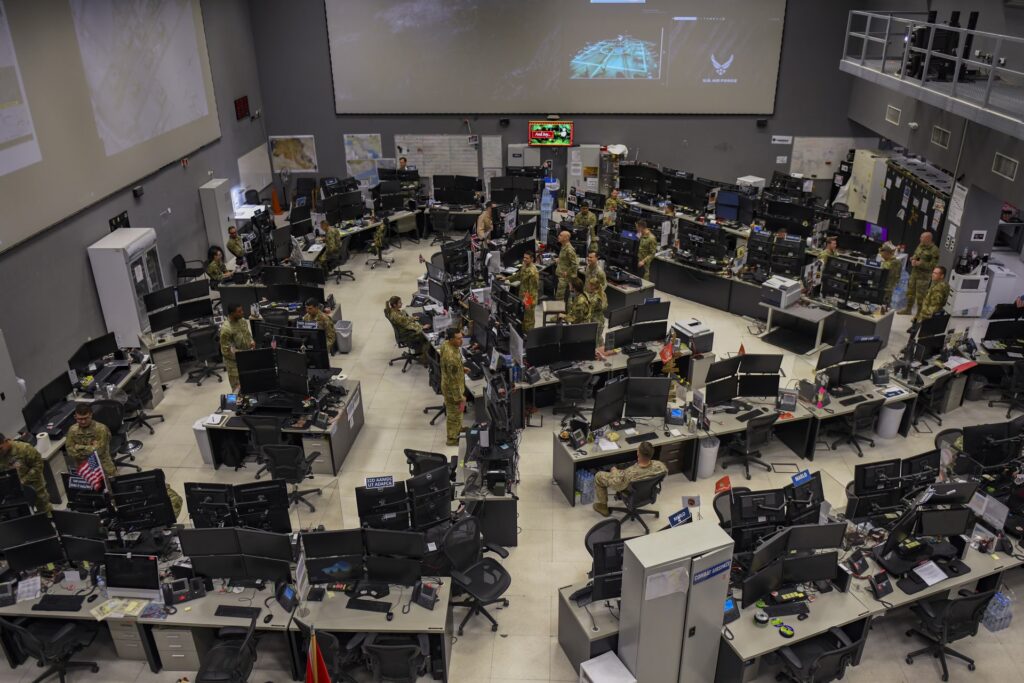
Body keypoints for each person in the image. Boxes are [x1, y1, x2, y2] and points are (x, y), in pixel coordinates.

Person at [592, 441, 667, 516]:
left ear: (638, 453)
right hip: (647, 493)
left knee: (598, 476)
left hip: (629, 491)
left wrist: (614, 471)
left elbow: (616, 484)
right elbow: (663, 475)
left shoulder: (629, 473)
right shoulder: (660, 466)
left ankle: (603, 507)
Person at [0, 434, 51, 514]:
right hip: (13, 492)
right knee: (22, 514)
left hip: (35, 486)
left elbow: (38, 465)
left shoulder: (24, 448)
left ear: (6, 441)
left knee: (45, 510)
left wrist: (24, 481)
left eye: (0, 448)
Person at [65, 404, 115, 476]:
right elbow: (70, 451)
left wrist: (78, 447)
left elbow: (99, 451)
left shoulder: (101, 429)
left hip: (103, 467)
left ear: (91, 415)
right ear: (75, 417)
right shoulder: (72, 430)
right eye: (80, 419)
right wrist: (91, 448)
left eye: (86, 418)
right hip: (83, 468)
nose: (83, 421)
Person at [901, 231, 939, 317]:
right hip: (914, 273)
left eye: (922, 237)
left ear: (928, 239)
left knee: (920, 296)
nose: (920, 239)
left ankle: (919, 313)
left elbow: (933, 265)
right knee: (910, 292)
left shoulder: (935, 250)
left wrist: (920, 264)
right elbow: (916, 254)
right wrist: (913, 259)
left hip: (923, 277)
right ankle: (908, 309)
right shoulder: (921, 245)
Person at [440, 328, 468, 446]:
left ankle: (458, 429)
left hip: (446, 383)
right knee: (454, 414)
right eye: (458, 339)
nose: (461, 340)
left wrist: (461, 369)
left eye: (461, 337)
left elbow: (449, 369)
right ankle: (452, 439)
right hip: (452, 391)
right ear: (451, 339)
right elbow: (453, 382)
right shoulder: (451, 358)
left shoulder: (445, 344)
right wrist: (460, 397)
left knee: (457, 414)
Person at [220, 302, 255, 392]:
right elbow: (226, 351)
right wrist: (242, 354)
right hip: (234, 365)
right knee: (238, 390)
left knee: (250, 385)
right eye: (239, 311)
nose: (242, 312)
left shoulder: (242, 320)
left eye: (242, 310)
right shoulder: (226, 329)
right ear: (232, 314)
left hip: (247, 358)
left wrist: (251, 341)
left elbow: (248, 334)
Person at [505, 251, 539, 333]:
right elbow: (518, 275)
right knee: (522, 317)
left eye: (527, 258)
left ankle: (529, 336)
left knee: (528, 320)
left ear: (532, 259)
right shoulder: (524, 266)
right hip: (523, 297)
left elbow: (533, 290)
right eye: (524, 257)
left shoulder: (533, 272)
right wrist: (507, 278)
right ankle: (523, 334)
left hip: (529, 299)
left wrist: (527, 302)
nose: (524, 259)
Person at [555, 230, 578, 302]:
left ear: (566, 238)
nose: (558, 236)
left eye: (560, 235)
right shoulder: (563, 246)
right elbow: (566, 259)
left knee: (559, 297)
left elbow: (575, 264)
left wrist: (567, 272)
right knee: (560, 296)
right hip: (561, 275)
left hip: (565, 277)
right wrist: (559, 260)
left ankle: (560, 308)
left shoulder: (569, 249)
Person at [586, 278, 608, 350]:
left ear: (593, 286)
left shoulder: (595, 298)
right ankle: (602, 347)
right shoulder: (603, 294)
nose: (587, 286)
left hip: (595, 321)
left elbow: (589, 310)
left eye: (589, 285)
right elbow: (605, 306)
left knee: (595, 340)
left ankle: (597, 352)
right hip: (601, 319)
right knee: (599, 336)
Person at [879, 243, 901, 307]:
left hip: (888, 286)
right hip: (884, 284)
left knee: (885, 302)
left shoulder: (895, 262)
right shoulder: (887, 261)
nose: (882, 257)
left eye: (883, 255)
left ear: (887, 253)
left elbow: (891, 276)